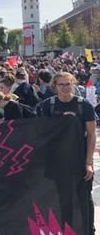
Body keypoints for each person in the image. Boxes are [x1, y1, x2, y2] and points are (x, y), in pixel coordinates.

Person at [38, 72, 96, 234]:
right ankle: (64, 229)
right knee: (60, 197)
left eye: (68, 84)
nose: (65, 88)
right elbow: (42, 133)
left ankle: (88, 229)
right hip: (57, 160)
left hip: (80, 158)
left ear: (73, 84)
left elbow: (92, 135)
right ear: (54, 86)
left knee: (85, 196)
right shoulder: (47, 106)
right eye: (61, 84)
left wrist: (89, 162)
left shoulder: (83, 106)